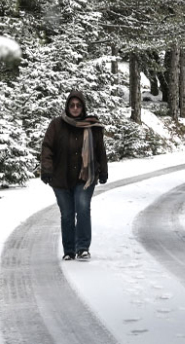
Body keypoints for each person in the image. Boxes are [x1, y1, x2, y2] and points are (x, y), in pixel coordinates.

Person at [39, 90, 108, 261]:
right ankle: (69, 250)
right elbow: (47, 148)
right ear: (67, 107)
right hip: (61, 178)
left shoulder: (92, 126)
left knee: (83, 209)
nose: (75, 108)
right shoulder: (56, 125)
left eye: (78, 105)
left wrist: (104, 171)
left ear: (83, 107)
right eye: (72, 105)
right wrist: (46, 169)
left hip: (85, 178)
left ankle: (83, 248)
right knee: (67, 214)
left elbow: (100, 151)